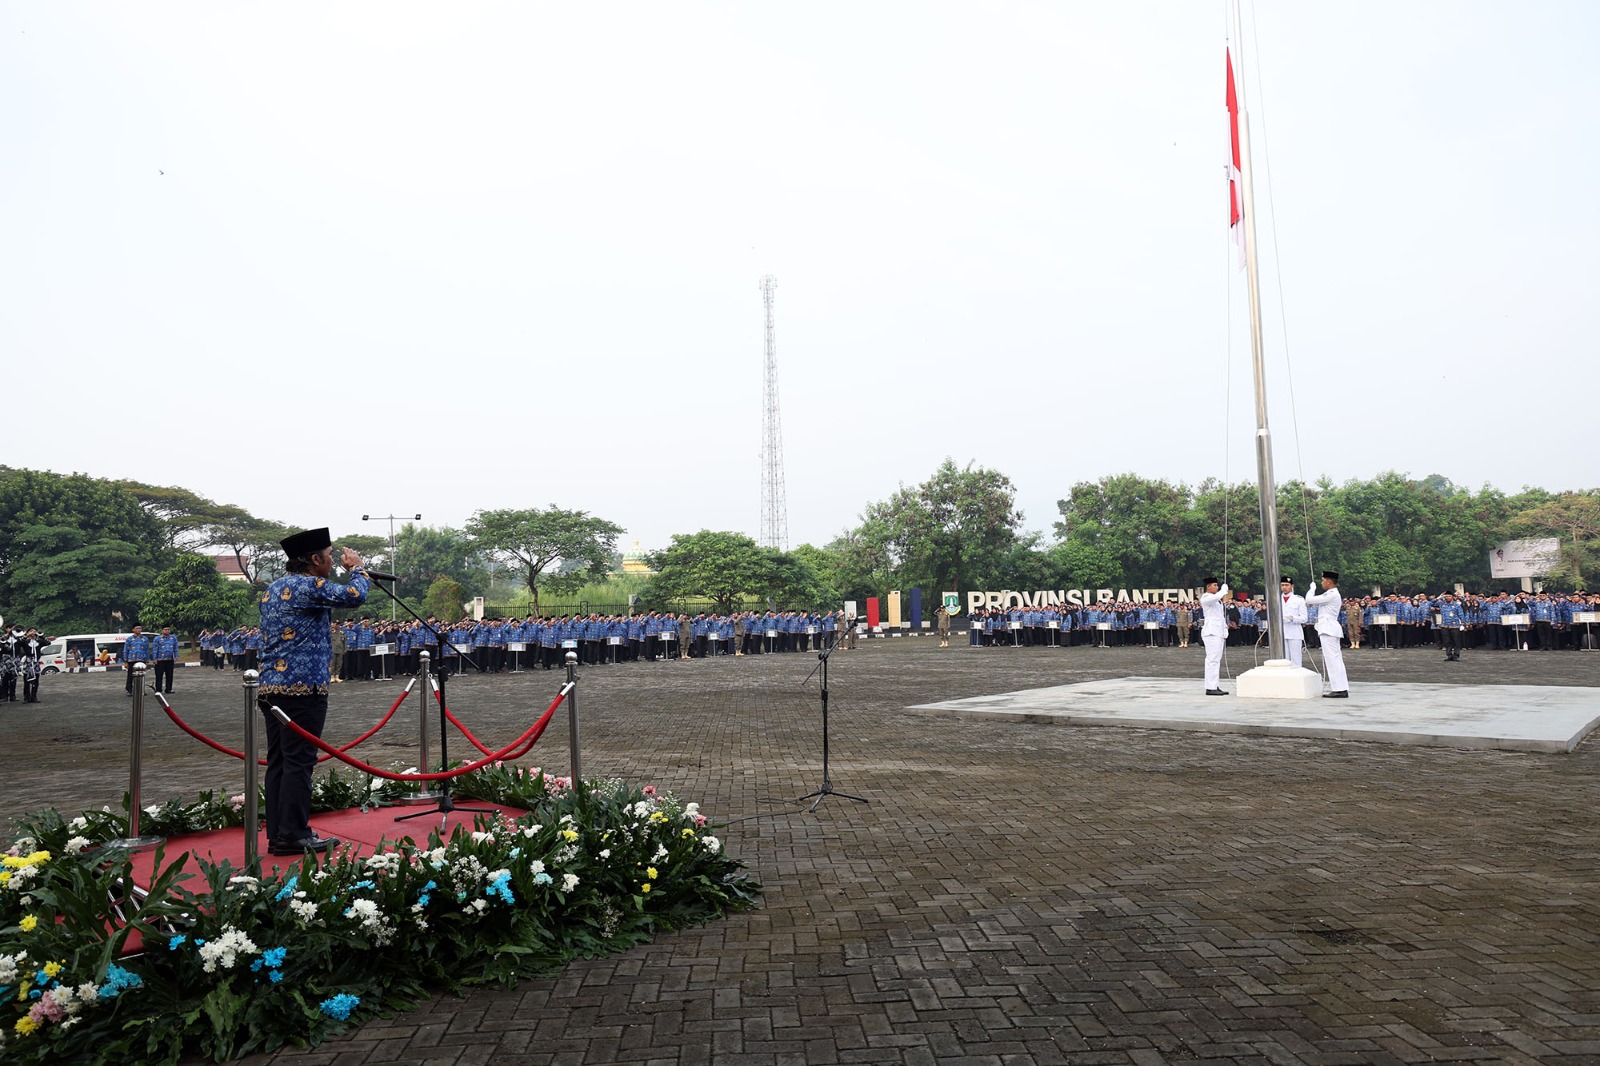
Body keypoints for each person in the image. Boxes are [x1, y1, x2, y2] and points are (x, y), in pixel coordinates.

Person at [256, 527, 369, 856]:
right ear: (315, 559)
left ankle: (279, 833)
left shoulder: (273, 589)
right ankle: (294, 834)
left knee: (279, 762)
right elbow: (354, 596)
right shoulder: (309, 585)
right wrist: (358, 569)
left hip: (271, 687)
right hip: (302, 690)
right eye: (331, 556)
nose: (334, 562)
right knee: (298, 764)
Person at [1306, 570, 1349, 697]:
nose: (1321, 583)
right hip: (1329, 628)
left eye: (1323, 580)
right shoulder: (1331, 594)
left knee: (1332, 660)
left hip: (1328, 628)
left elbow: (1309, 600)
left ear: (1329, 582)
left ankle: (1339, 689)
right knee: (1335, 659)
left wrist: (1311, 589)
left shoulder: (1331, 594)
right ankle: (1341, 687)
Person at [1199, 577, 1230, 694]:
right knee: (1212, 659)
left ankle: (1214, 685)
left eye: (1217, 585)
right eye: (1215, 585)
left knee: (1216, 659)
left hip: (1218, 631)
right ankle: (1210, 687)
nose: (1217, 587)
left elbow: (1220, 617)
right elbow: (1216, 596)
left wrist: (1224, 628)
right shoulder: (1206, 598)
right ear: (1208, 587)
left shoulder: (1217, 601)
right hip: (1211, 632)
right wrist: (1223, 590)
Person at [1277, 576, 1308, 667]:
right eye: (1282, 585)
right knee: (1284, 660)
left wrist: (1292, 618)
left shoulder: (1299, 599)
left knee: (1296, 659)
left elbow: (1304, 618)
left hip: (1295, 631)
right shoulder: (1277, 599)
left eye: (1287, 585)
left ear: (1292, 586)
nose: (1284, 587)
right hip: (1282, 632)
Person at [122, 624, 152, 696]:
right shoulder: (129, 639)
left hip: (142, 659)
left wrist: (147, 660)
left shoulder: (145, 639)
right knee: (130, 675)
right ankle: (129, 690)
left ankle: (141, 690)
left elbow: (147, 650)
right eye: (137, 628)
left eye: (140, 628)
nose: (139, 629)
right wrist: (126, 661)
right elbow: (126, 650)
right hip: (131, 659)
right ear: (133, 629)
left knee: (141, 675)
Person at [151, 625, 179, 694]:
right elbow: (155, 649)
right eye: (165, 629)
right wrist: (154, 658)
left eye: (168, 629)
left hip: (170, 659)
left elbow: (175, 648)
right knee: (159, 675)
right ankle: (158, 689)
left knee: (169, 675)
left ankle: (169, 689)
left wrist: (176, 656)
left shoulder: (173, 638)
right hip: (160, 659)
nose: (167, 631)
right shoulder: (157, 639)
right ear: (162, 630)